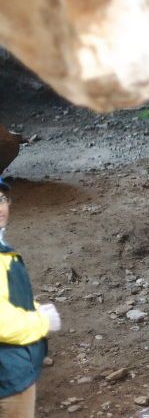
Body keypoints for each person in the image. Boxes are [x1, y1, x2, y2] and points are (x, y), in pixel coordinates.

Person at [0, 177, 61, 418]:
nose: (0, 208)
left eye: (2, 199)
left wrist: (32, 308)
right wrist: (42, 322)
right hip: (7, 377)